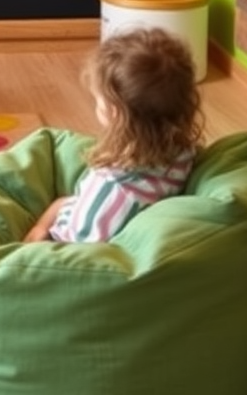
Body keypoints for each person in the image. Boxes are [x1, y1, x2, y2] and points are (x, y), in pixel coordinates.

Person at [23, 26, 203, 243]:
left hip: (65, 241)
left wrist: (40, 229)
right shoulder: (182, 152)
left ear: (115, 113)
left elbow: (70, 254)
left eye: (97, 101)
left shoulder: (112, 190)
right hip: (81, 211)